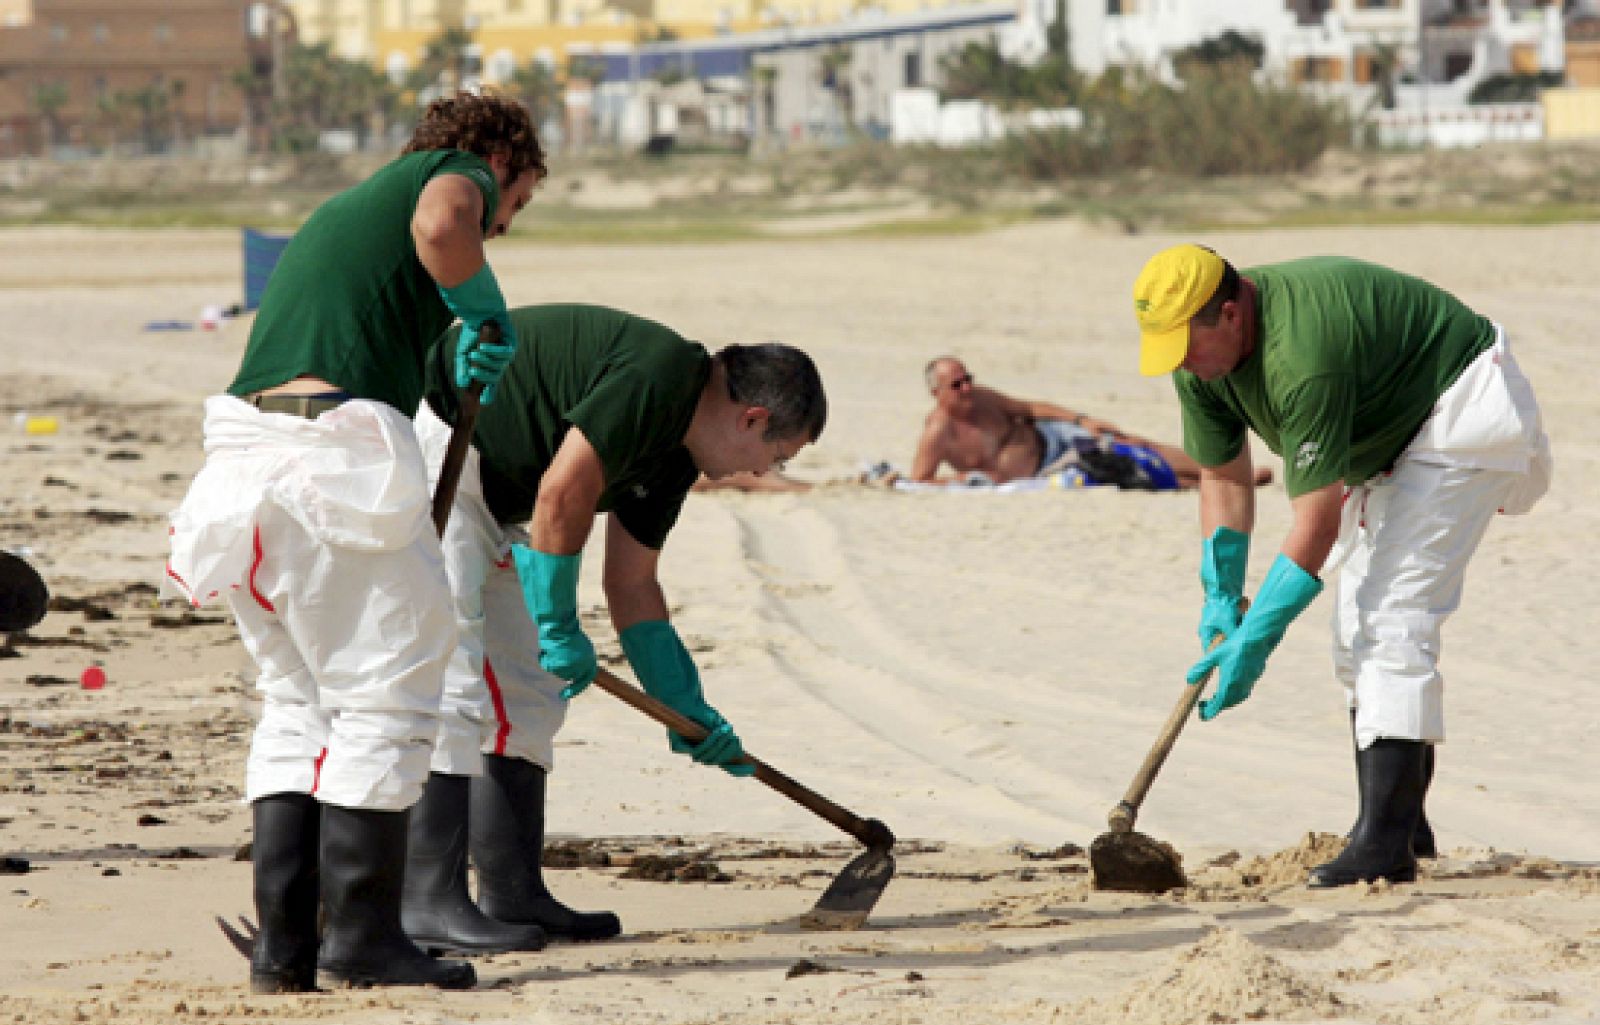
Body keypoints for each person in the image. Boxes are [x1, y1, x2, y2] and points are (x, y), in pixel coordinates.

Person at [164, 91, 544, 993]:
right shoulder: (449, 175)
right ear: (501, 162)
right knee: (388, 696)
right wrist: (487, 309)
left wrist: (453, 349)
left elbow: (383, 332)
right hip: (328, 461)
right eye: (518, 204)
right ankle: (366, 939)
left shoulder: (350, 214)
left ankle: (285, 950)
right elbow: (447, 224)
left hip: (245, 460)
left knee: (298, 701)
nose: (505, 225)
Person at [403, 303, 827, 952]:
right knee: (455, 684)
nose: (762, 473)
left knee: (531, 691)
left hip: (501, 499)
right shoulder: (661, 376)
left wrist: (682, 705)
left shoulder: (677, 454)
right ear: (752, 418)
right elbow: (562, 492)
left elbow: (631, 583)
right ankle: (427, 900)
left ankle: (513, 893)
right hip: (446, 454)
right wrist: (557, 624)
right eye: (778, 456)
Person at [1132, 243, 1551, 888]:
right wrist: (1221, 593)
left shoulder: (1303, 358)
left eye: (1185, 345)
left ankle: (1385, 846)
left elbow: (1315, 523)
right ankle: (1403, 825)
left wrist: (1257, 637)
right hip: (1383, 438)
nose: (1179, 362)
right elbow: (1224, 478)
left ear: (1231, 314)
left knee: (1392, 616)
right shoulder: (1199, 368)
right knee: (1355, 628)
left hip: (1459, 409)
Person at [910, 356, 1269, 489]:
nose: (967, 388)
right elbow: (920, 480)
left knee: (1128, 443)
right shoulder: (938, 433)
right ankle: (1211, 483)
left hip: (1052, 439)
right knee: (1130, 473)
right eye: (957, 385)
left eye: (968, 378)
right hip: (1044, 471)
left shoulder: (984, 398)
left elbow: (1032, 408)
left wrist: (1082, 420)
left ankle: (1220, 470)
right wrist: (961, 479)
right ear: (935, 392)